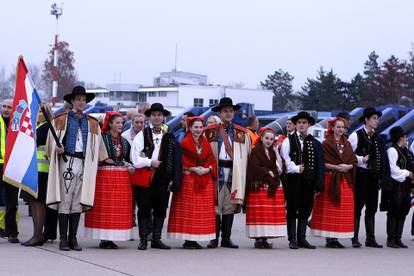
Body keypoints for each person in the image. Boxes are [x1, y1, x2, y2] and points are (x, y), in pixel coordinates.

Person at [45, 86, 108, 251]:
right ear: (72, 101)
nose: (81, 102)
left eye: (83, 100)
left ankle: (73, 238)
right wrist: (56, 150)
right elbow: (51, 143)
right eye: (78, 99)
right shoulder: (60, 119)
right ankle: (63, 239)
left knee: (78, 200)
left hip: (85, 164)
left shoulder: (92, 122)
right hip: (67, 162)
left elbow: (99, 147)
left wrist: (104, 160)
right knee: (65, 199)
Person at [131, 103, 182, 250]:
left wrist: (173, 177)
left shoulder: (169, 136)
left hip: (163, 178)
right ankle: (143, 239)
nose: (157, 117)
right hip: (147, 176)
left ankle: (156, 239)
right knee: (144, 208)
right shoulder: (142, 135)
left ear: (163, 117)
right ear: (150, 117)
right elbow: (136, 159)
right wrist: (150, 161)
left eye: (159, 115)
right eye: (154, 115)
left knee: (160, 208)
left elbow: (174, 159)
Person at [204, 97, 251, 249]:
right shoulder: (210, 132)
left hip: (234, 172)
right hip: (216, 171)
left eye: (230, 111)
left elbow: (247, 155)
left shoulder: (242, 133)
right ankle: (214, 238)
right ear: (219, 112)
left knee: (229, 205)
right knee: (215, 205)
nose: (228, 114)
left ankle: (226, 238)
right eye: (225, 111)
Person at [85, 112, 133, 249]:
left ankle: (112, 238)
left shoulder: (124, 141)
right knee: (105, 206)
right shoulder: (102, 138)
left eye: (121, 123)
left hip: (121, 178)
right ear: (110, 123)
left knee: (116, 209)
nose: (120, 125)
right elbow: (95, 155)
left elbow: (127, 158)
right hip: (104, 177)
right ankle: (104, 238)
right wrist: (104, 160)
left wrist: (127, 163)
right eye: (117, 122)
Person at [168, 116, 217, 249]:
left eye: (200, 127)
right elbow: (180, 162)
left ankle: (195, 239)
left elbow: (211, 160)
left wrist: (207, 169)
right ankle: (188, 240)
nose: (198, 130)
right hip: (189, 179)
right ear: (189, 128)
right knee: (189, 210)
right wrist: (193, 168)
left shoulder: (204, 142)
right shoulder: (184, 143)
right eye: (195, 127)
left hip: (204, 179)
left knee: (201, 212)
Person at [310, 118, 357, 248]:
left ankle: (336, 237)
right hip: (330, 179)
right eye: (338, 127)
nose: (341, 129)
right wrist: (337, 167)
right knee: (330, 208)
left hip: (344, 179)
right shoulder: (326, 143)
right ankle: (329, 238)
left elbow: (353, 161)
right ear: (333, 128)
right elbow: (322, 162)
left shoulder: (346, 143)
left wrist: (347, 167)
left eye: (342, 127)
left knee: (341, 208)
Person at [281, 111, 324, 249]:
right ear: (295, 124)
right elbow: (286, 161)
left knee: (306, 209)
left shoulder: (315, 142)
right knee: (293, 209)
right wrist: (297, 168)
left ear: (309, 124)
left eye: (304, 123)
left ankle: (302, 238)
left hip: (308, 181)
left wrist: (318, 184)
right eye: (299, 122)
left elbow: (319, 165)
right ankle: (292, 239)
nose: (301, 125)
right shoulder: (288, 140)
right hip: (293, 180)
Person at [348, 107, 390, 248]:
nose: (376, 121)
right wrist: (361, 159)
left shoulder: (378, 137)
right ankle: (354, 237)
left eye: (377, 119)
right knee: (357, 207)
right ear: (366, 120)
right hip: (360, 175)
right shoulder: (356, 135)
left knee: (372, 207)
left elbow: (382, 158)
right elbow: (348, 155)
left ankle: (370, 238)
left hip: (373, 176)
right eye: (374, 118)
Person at [245, 128, 286, 249]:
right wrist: (267, 171)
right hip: (259, 185)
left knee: (268, 214)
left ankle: (266, 238)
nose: (268, 141)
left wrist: (276, 151)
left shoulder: (272, 152)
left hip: (270, 185)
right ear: (261, 138)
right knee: (260, 213)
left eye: (271, 139)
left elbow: (279, 168)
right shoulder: (256, 150)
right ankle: (259, 238)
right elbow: (254, 167)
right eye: (266, 138)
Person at [20, 104, 54, 246]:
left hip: (41, 170)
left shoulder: (46, 127)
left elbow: (32, 142)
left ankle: (37, 235)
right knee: (34, 203)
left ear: (46, 114)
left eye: (40, 112)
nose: (37, 114)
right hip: (34, 170)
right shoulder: (38, 126)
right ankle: (38, 234)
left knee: (37, 202)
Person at [382, 126, 414, 248]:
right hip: (396, 185)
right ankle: (391, 238)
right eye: (405, 136)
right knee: (394, 210)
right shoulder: (392, 150)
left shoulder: (405, 150)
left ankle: (398, 237)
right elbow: (393, 170)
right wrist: (408, 173)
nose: (406, 139)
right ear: (401, 137)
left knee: (403, 210)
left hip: (405, 185)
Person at [1, 99, 20, 243]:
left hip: (13, 165)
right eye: (3, 106)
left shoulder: (18, 124)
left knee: (12, 201)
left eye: (9, 107)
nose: (5, 109)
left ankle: (12, 231)